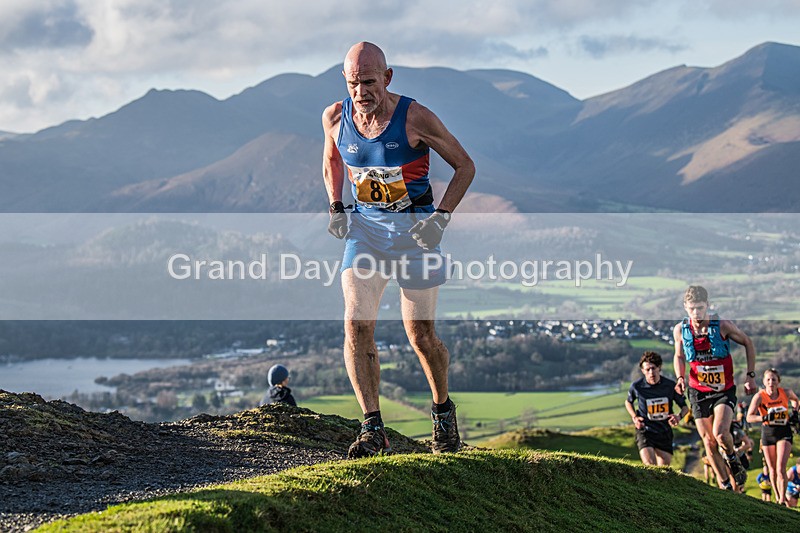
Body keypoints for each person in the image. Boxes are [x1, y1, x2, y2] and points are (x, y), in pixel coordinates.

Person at [322, 42, 475, 458]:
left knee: (421, 336)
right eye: (354, 84)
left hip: (415, 235)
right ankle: (373, 429)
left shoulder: (415, 117)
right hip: (365, 233)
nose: (361, 92)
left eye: (370, 82)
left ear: (387, 78)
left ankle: (442, 412)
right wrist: (336, 205)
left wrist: (440, 218)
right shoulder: (334, 117)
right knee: (356, 325)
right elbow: (332, 160)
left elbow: (465, 166)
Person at [673, 285, 756, 490]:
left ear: (707, 305)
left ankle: (732, 458)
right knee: (708, 442)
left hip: (723, 390)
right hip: (698, 391)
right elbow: (679, 356)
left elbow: (748, 342)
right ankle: (725, 486)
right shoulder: (680, 330)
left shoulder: (722, 326)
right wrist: (680, 377)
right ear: (685, 307)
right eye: (692, 308)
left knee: (720, 434)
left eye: (700, 308)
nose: (696, 313)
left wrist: (750, 376)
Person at [625, 351, 688, 466]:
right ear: (642, 371)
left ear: (659, 367)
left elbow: (685, 408)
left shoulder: (670, 386)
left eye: (653, 368)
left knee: (663, 470)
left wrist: (678, 417)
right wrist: (634, 417)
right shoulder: (637, 386)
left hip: (664, 432)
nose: (651, 372)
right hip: (645, 430)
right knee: (650, 466)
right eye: (647, 369)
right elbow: (628, 402)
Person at [746, 368, 798, 505]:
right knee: (772, 470)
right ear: (764, 382)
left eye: (774, 379)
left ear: (778, 382)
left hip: (784, 431)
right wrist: (764, 417)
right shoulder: (759, 396)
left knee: (781, 468)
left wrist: (795, 413)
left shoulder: (786, 392)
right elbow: (749, 417)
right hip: (768, 432)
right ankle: (778, 497)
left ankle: (782, 499)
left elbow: (796, 400)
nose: (771, 382)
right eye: (768, 380)